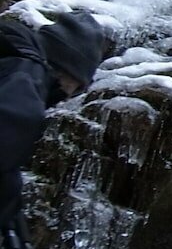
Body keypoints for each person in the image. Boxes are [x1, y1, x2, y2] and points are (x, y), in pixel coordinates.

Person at [0, 13, 104, 226]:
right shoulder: (27, 74)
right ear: (69, 74)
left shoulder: (9, 58)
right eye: (76, 88)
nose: (67, 97)